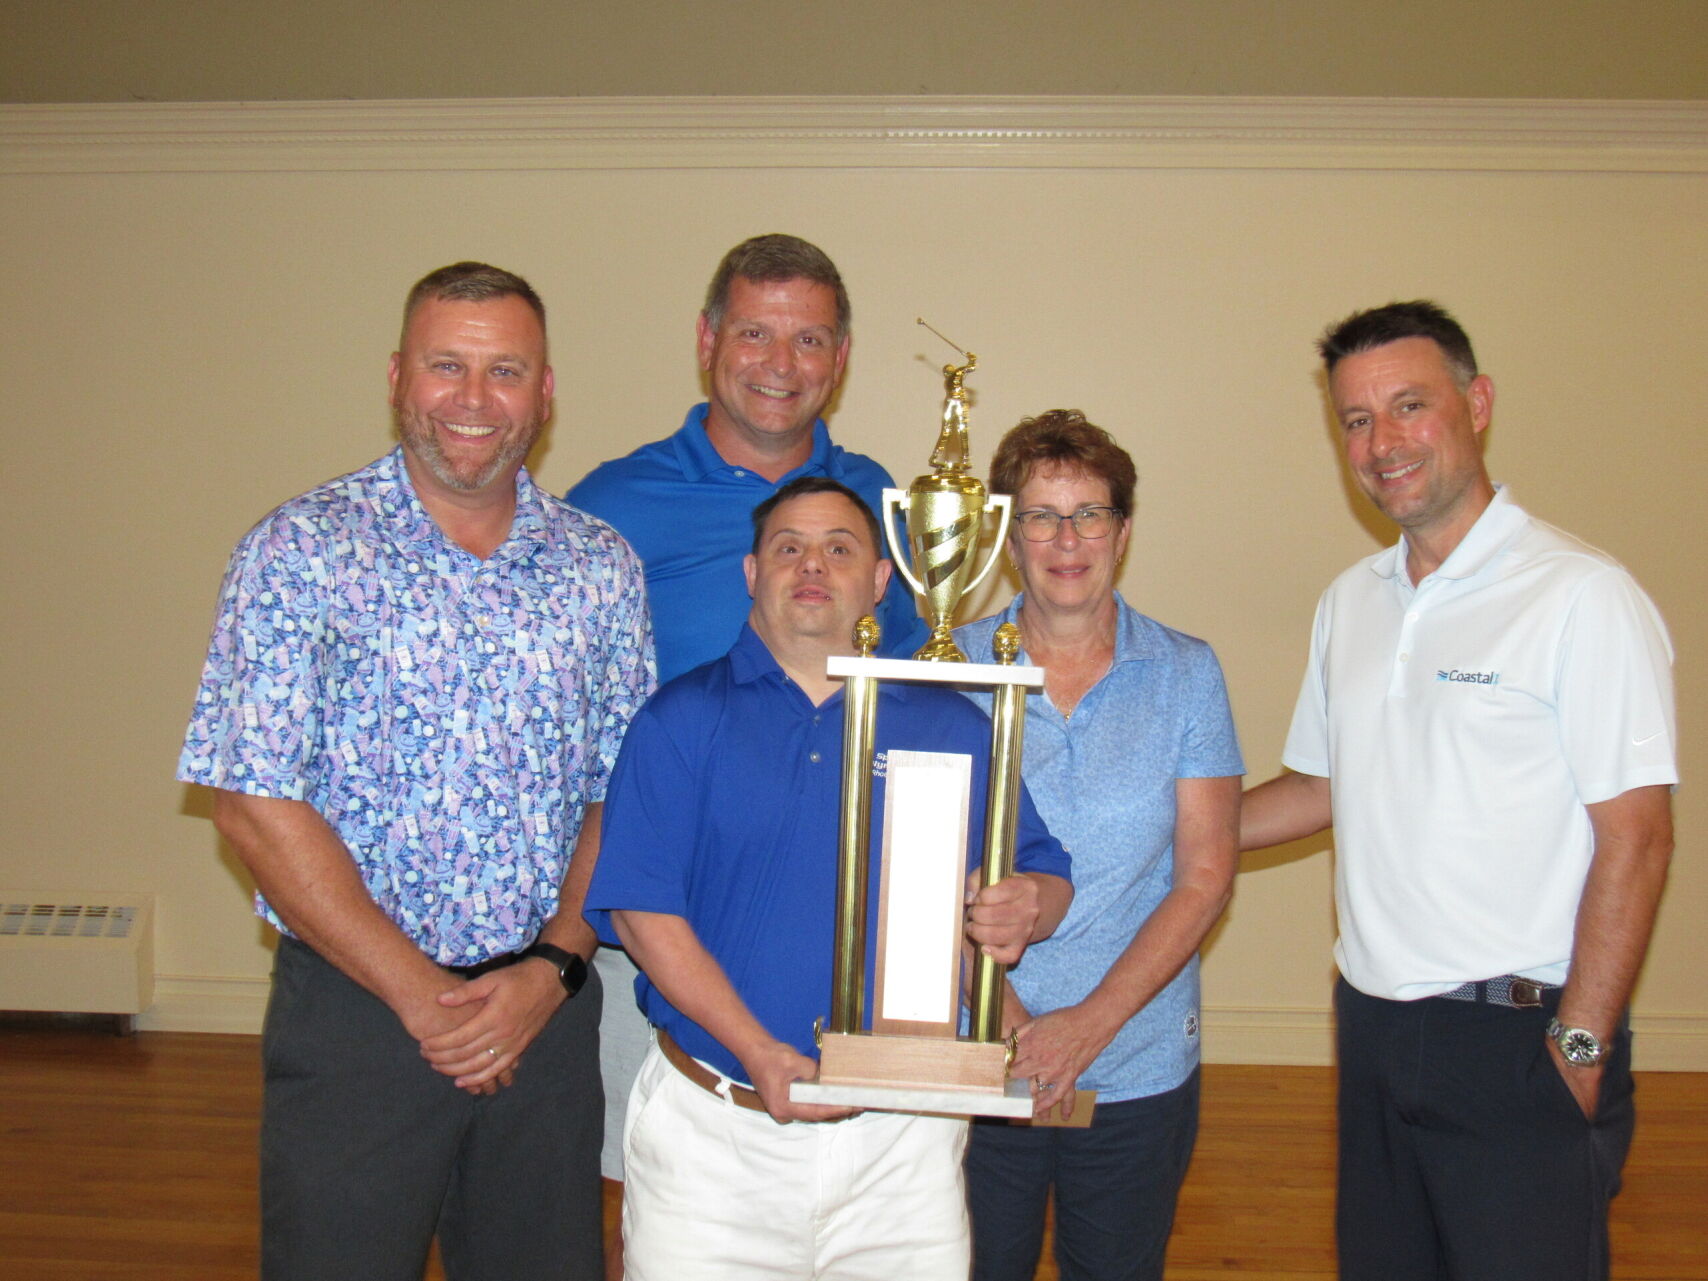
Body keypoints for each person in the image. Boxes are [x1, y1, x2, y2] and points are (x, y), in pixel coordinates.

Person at [177, 262, 654, 1280]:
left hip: (546, 1018)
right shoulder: (299, 551)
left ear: (545, 389)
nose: (474, 400)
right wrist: (422, 999)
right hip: (357, 1018)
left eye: (505, 370)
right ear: (398, 377)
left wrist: (551, 969)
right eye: (447, 366)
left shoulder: (599, 567)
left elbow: (621, 795)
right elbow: (253, 803)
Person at [1240, 301, 1676, 1281]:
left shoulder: (1579, 595)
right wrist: (1173, 827)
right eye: (1355, 420)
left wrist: (1578, 1045)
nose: (1381, 442)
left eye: (1407, 406)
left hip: (1523, 1040)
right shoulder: (1350, 602)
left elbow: (1638, 838)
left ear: (1475, 405)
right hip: (1373, 1027)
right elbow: (1321, 786)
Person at [584, 476, 1073, 1281]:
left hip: (903, 1148)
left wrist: (1029, 904)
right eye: (788, 547)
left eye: (839, 549)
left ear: (882, 580)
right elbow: (641, 915)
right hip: (716, 1132)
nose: (812, 565)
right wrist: (760, 1051)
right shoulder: (677, 720)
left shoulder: (949, 720)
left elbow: (1044, 874)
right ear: (751, 573)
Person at [564, 232, 925, 1232]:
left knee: (839, 1201)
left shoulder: (876, 500)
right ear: (707, 340)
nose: (780, 363)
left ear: (840, 359)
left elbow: (906, 700)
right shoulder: (611, 505)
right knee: (652, 1196)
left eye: (808, 339)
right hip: (654, 925)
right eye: (756, 333)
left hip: (820, 921)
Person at [953, 410, 1243, 1281]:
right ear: (1010, 534)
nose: (1066, 538)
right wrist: (1017, 1031)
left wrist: (1086, 1028)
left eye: (1089, 513)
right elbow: (920, 871)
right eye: (1041, 514)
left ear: (1123, 530)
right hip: (977, 1058)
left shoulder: (1188, 674)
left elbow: (1204, 876)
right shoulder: (949, 668)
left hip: (1137, 1063)